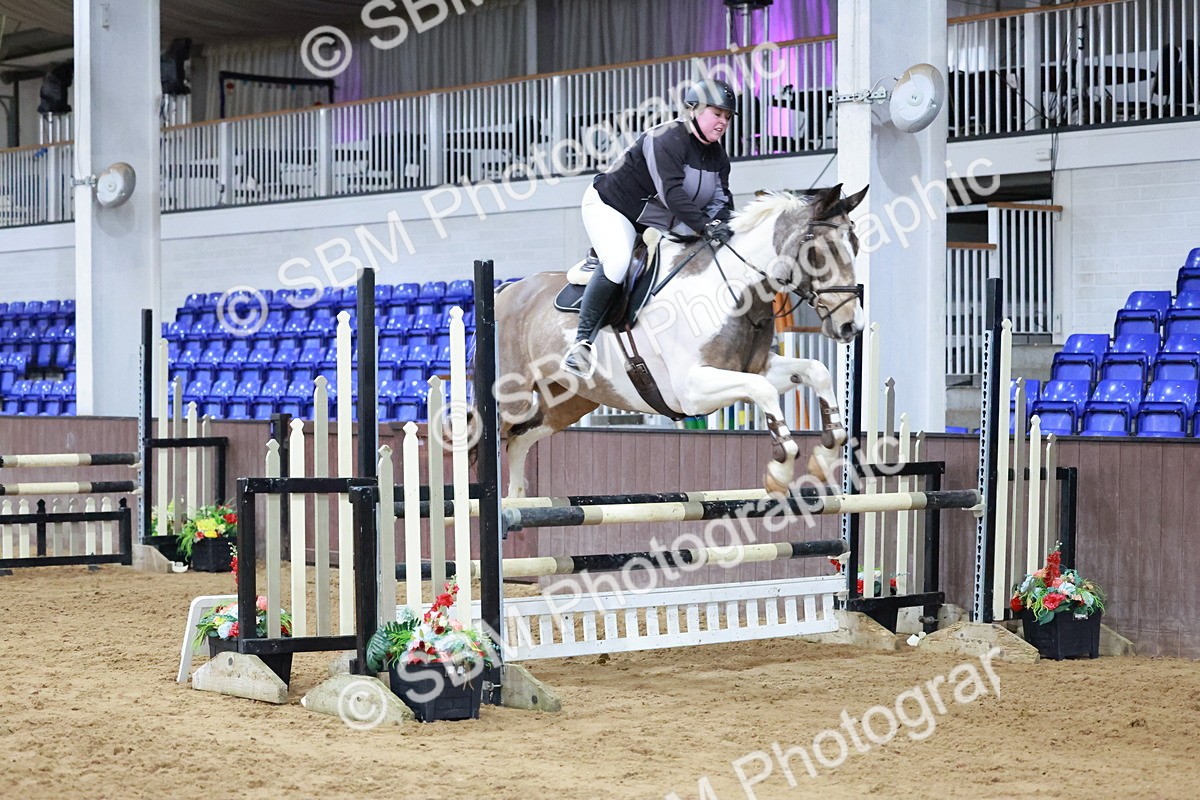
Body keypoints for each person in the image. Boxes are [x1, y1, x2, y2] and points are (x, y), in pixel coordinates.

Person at [560, 78, 738, 378]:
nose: (723, 121)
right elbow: (672, 194)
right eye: (716, 113)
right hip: (613, 208)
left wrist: (722, 223)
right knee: (618, 262)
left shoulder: (718, 156)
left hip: (658, 220)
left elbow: (722, 198)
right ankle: (582, 344)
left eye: (727, 117)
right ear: (693, 109)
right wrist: (707, 225)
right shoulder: (664, 138)